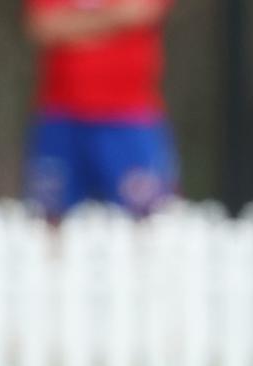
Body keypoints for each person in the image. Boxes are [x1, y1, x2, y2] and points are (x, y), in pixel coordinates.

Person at [23, 0, 177, 223]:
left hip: (131, 116)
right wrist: (116, 23)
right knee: (49, 217)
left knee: (148, 216)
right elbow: (43, 27)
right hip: (61, 114)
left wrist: (73, 28)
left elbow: (142, 12)